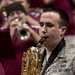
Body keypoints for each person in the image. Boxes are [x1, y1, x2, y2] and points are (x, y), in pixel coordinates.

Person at [0, 3, 40, 75]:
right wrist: (11, 35)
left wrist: (30, 31)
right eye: (12, 14)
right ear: (7, 19)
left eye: (19, 13)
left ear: (26, 15)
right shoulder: (2, 33)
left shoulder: (35, 30)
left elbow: (45, 47)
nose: (16, 16)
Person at [39, 7, 75, 75]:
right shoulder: (35, 54)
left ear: (62, 30)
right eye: (41, 25)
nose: (43, 30)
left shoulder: (73, 55)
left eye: (49, 25)